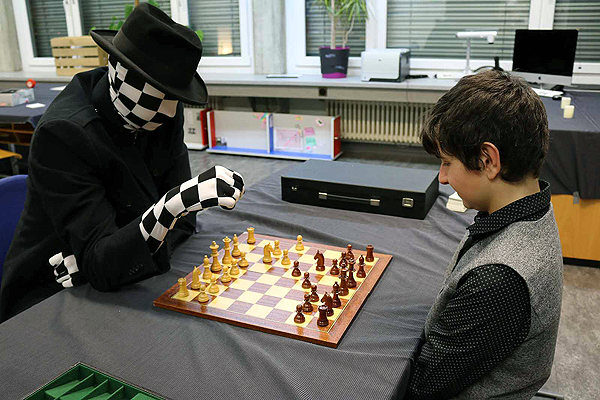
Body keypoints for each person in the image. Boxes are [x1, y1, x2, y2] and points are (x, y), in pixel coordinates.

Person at [0, 4, 244, 322]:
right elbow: (106, 263)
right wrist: (171, 207)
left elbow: (183, 227)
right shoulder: (63, 134)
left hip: (114, 278)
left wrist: (110, 257)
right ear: (119, 72)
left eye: (174, 97)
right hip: (47, 297)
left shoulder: (161, 113)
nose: (171, 111)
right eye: (161, 95)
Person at [405, 70, 563, 399]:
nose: (442, 178)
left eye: (447, 162)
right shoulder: (533, 205)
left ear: (488, 160)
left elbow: (423, 385)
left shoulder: (498, 280)